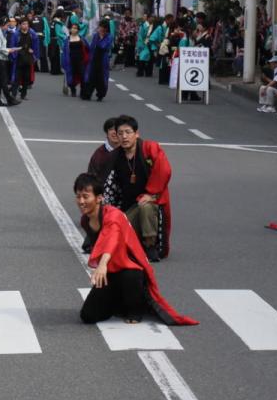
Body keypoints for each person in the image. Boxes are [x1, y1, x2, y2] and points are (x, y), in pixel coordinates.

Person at [74, 173, 197, 326]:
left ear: (99, 198)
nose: (81, 201)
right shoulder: (85, 220)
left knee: (130, 277)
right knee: (88, 315)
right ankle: (118, 302)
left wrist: (103, 264)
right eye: (78, 197)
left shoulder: (113, 215)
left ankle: (136, 308)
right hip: (111, 273)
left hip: (129, 270)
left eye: (86, 197)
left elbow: (111, 238)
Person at [103, 116, 173, 262]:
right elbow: (107, 185)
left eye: (128, 132)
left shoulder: (149, 148)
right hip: (129, 205)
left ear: (137, 134)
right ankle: (137, 242)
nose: (124, 136)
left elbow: (164, 170)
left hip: (152, 201)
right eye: (120, 133)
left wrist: (151, 193)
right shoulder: (115, 157)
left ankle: (150, 245)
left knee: (145, 206)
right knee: (116, 236)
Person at [0, 17, 20, 107]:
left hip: (0, 58)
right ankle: (10, 99)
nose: (8, 26)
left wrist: (11, 49)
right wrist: (9, 50)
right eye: (7, 25)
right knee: (3, 81)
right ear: (3, 24)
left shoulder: (0, 31)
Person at [81, 21, 113, 102]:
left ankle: (100, 94)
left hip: (102, 59)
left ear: (106, 29)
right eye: (100, 27)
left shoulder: (109, 37)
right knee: (90, 76)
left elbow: (104, 46)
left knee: (101, 78)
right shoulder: (96, 35)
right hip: (94, 58)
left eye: (102, 27)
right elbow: (92, 46)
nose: (100, 29)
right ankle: (87, 94)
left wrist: (101, 37)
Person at [10, 18, 40, 99]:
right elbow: (12, 46)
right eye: (23, 24)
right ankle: (13, 94)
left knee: (26, 78)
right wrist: (14, 56)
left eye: (26, 24)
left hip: (28, 58)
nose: (25, 26)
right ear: (20, 25)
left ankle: (23, 94)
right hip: (19, 58)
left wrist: (34, 55)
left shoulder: (32, 34)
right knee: (17, 78)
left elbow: (36, 46)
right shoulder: (16, 34)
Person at [60, 22, 89, 98]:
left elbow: (88, 49)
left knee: (82, 75)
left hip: (81, 60)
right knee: (71, 76)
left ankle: (83, 91)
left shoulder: (82, 39)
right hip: (70, 60)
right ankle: (73, 90)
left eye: (75, 28)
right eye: (72, 28)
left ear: (78, 30)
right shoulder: (67, 40)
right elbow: (64, 52)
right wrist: (63, 62)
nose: (73, 29)